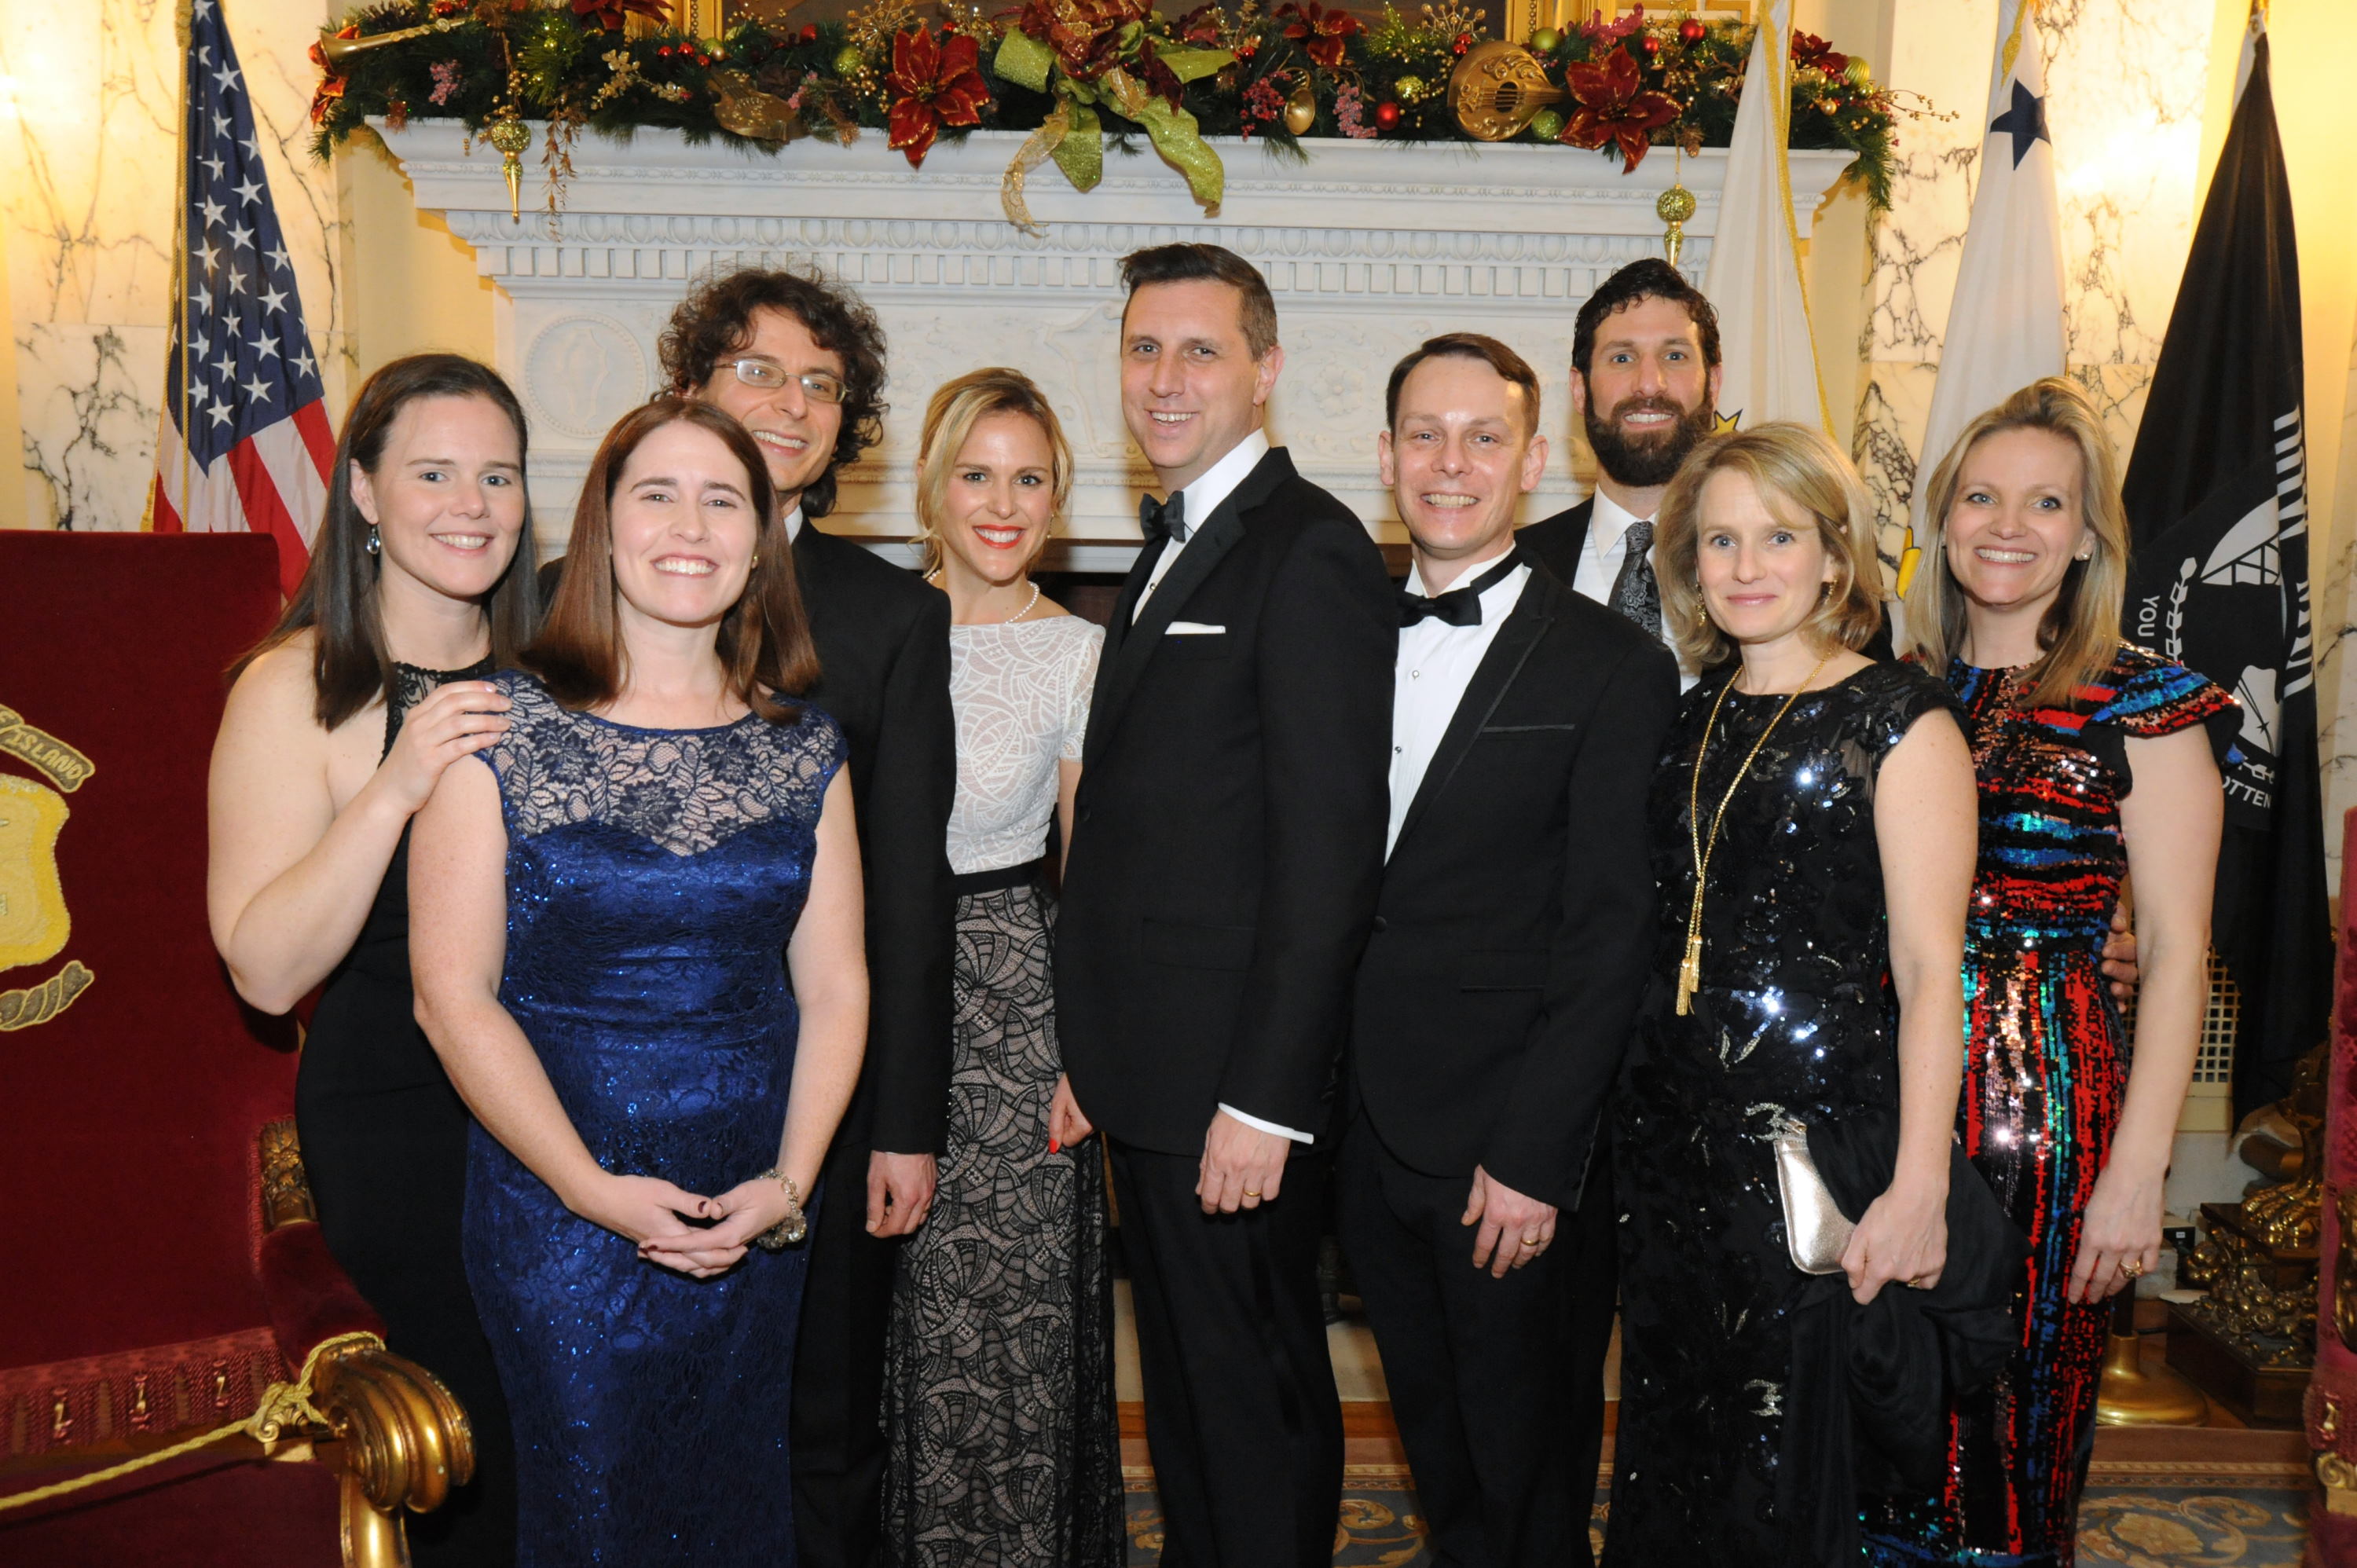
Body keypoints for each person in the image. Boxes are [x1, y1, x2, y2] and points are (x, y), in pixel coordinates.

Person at [409, 397, 868, 1562]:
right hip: (557, 1205)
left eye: (723, 501)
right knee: (596, 1512)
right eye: (656, 495)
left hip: (753, 1204)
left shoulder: (804, 746)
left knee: (736, 1505)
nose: (691, 526)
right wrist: (590, 1190)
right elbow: (451, 997)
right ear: (603, 528)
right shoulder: (493, 729)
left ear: (760, 542)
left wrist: (791, 1186)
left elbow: (836, 987)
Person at [1054, 242, 1395, 1568]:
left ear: (1266, 369)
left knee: (1251, 1404)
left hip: (1234, 1094)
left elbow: (1328, 856)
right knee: (1193, 1407)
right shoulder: (1177, 536)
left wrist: (1264, 1100)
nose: (1166, 377)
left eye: (1201, 350)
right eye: (1144, 348)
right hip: (1155, 1076)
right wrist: (1096, 1051)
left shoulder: (1306, 548)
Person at [1863, 380, 2231, 1567]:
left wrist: (2139, 1174)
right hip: (1885, 1103)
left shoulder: (2144, 704)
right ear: (1942, 519)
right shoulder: (1894, 688)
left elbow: (2174, 955)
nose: (2008, 525)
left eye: (2045, 502)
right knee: (1880, 1418)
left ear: (2087, 535)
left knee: (2009, 1443)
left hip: (2048, 1119)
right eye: (1981, 497)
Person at [1607, 423, 1978, 1561]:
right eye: (1720, 540)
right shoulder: (1685, 716)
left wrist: (1919, 1187)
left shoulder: (1901, 720)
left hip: (1808, 1159)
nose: (1746, 565)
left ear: (1833, 556)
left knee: (1785, 1478)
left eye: (1778, 536)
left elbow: (1932, 973)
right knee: (1678, 1457)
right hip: (1667, 1155)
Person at [1340, 334, 1676, 1568]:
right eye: (1424, 435)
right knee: (1440, 1455)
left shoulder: (1614, 663)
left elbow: (1611, 932)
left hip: (1509, 1144)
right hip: (1361, 1126)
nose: (1451, 462)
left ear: (1533, 463)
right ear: (1385, 457)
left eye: (1484, 438)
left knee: (1528, 1472)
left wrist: (1538, 1158)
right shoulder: (1335, 637)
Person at [207, 353, 535, 1566]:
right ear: (362, 491)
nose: (471, 505)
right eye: (434, 473)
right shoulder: (294, 688)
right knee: (470, 1471)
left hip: (569, 1121)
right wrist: (396, 784)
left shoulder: (565, 676)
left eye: (497, 475)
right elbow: (262, 970)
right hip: (404, 1136)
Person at [657, 264, 959, 1568]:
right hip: (619, 1075)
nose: (792, 404)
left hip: (820, 1100)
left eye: (823, 385)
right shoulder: (573, 588)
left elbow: (913, 892)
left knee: (823, 1421)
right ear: (688, 389)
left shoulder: (896, 620)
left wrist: (905, 1123)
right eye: (759, 371)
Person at [879, 368, 1121, 1566]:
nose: (1002, 503)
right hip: (868, 986)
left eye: (1029, 479)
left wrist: (1088, 1055)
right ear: (933, 485)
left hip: (1014, 996)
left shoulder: (1080, 651)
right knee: (884, 1312)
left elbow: (1094, 869)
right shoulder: (872, 626)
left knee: (1007, 1318)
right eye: (977, 474)